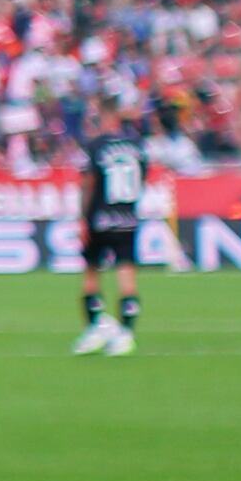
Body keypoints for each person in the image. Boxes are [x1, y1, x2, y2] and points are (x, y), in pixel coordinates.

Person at [72, 128, 149, 355]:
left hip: (101, 218)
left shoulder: (96, 145)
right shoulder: (137, 146)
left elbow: (89, 182)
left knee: (91, 274)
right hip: (127, 217)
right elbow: (142, 179)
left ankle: (96, 327)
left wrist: (83, 218)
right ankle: (126, 334)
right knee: (126, 275)